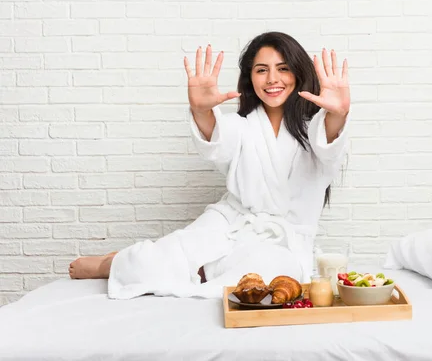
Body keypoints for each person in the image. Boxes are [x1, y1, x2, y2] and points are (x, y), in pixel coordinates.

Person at [68, 31, 351, 299]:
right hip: (228, 223)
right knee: (149, 264)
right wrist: (201, 110)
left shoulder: (314, 129)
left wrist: (338, 114)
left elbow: (328, 144)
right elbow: (217, 139)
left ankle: (203, 271)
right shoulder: (241, 127)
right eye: (261, 69)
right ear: (250, 78)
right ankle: (112, 263)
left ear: (298, 73)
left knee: (271, 273)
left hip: (281, 244)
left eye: (283, 68)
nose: (272, 78)